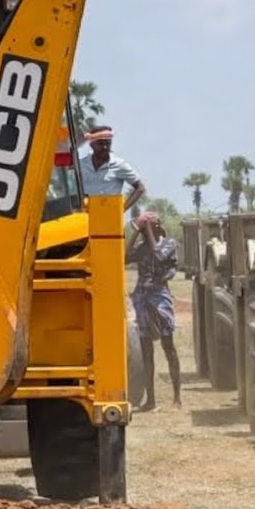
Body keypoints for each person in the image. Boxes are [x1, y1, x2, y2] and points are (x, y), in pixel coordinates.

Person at [127, 210, 182, 410]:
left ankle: (177, 397)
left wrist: (147, 228)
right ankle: (150, 400)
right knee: (146, 350)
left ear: (156, 228)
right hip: (141, 297)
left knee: (169, 346)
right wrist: (135, 231)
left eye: (147, 229)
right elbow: (123, 256)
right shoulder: (142, 247)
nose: (143, 233)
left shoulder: (169, 244)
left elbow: (158, 256)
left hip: (159, 296)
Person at [79, 125, 146, 211]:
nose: (105, 147)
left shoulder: (119, 164)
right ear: (92, 144)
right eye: (101, 144)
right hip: (84, 217)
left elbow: (140, 188)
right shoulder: (81, 165)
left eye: (108, 143)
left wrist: (122, 210)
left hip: (109, 217)